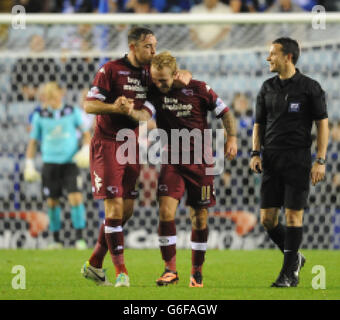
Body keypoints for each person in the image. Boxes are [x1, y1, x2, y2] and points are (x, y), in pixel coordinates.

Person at [81, 27, 191, 287]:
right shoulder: (110, 69)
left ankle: (95, 263)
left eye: (155, 46)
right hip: (107, 143)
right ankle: (122, 273)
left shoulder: (149, 72)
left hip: (130, 143)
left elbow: (173, 79)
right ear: (133, 47)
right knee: (115, 208)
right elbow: (88, 105)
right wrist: (113, 106)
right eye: (148, 47)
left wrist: (184, 76)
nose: (153, 52)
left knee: (125, 212)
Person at [121, 51, 238, 287]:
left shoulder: (199, 88)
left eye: (163, 79)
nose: (159, 84)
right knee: (165, 212)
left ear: (176, 74)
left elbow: (225, 112)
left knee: (200, 217)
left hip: (201, 163)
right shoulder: (154, 92)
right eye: (156, 79)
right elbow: (145, 114)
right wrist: (129, 112)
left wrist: (232, 138)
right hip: (172, 161)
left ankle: (196, 271)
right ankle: (170, 270)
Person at [249, 37, 329, 287]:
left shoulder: (310, 87)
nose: (268, 58)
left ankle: (288, 275)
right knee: (267, 220)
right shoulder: (266, 87)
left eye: (272, 53)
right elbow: (258, 124)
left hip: (298, 158)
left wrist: (321, 159)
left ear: (288, 57)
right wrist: (254, 152)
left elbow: (322, 125)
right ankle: (295, 258)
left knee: (294, 216)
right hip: (271, 159)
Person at [24, 82, 91, 249]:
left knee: (75, 197)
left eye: (54, 96)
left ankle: (79, 239)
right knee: (52, 202)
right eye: (49, 97)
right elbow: (33, 142)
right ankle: (55, 240)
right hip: (50, 163)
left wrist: (85, 148)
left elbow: (86, 133)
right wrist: (29, 164)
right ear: (44, 98)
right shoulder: (40, 116)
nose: (52, 100)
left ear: (60, 95)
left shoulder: (72, 112)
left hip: (70, 163)